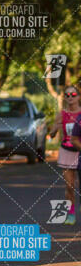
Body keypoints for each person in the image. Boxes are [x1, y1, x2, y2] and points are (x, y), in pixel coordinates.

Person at [53, 86, 81, 225]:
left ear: (78, 97)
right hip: (67, 151)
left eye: (73, 94)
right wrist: (54, 128)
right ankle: (71, 214)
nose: (70, 97)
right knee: (70, 186)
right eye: (67, 95)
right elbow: (51, 134)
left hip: (80, 151)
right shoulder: (62, 114)